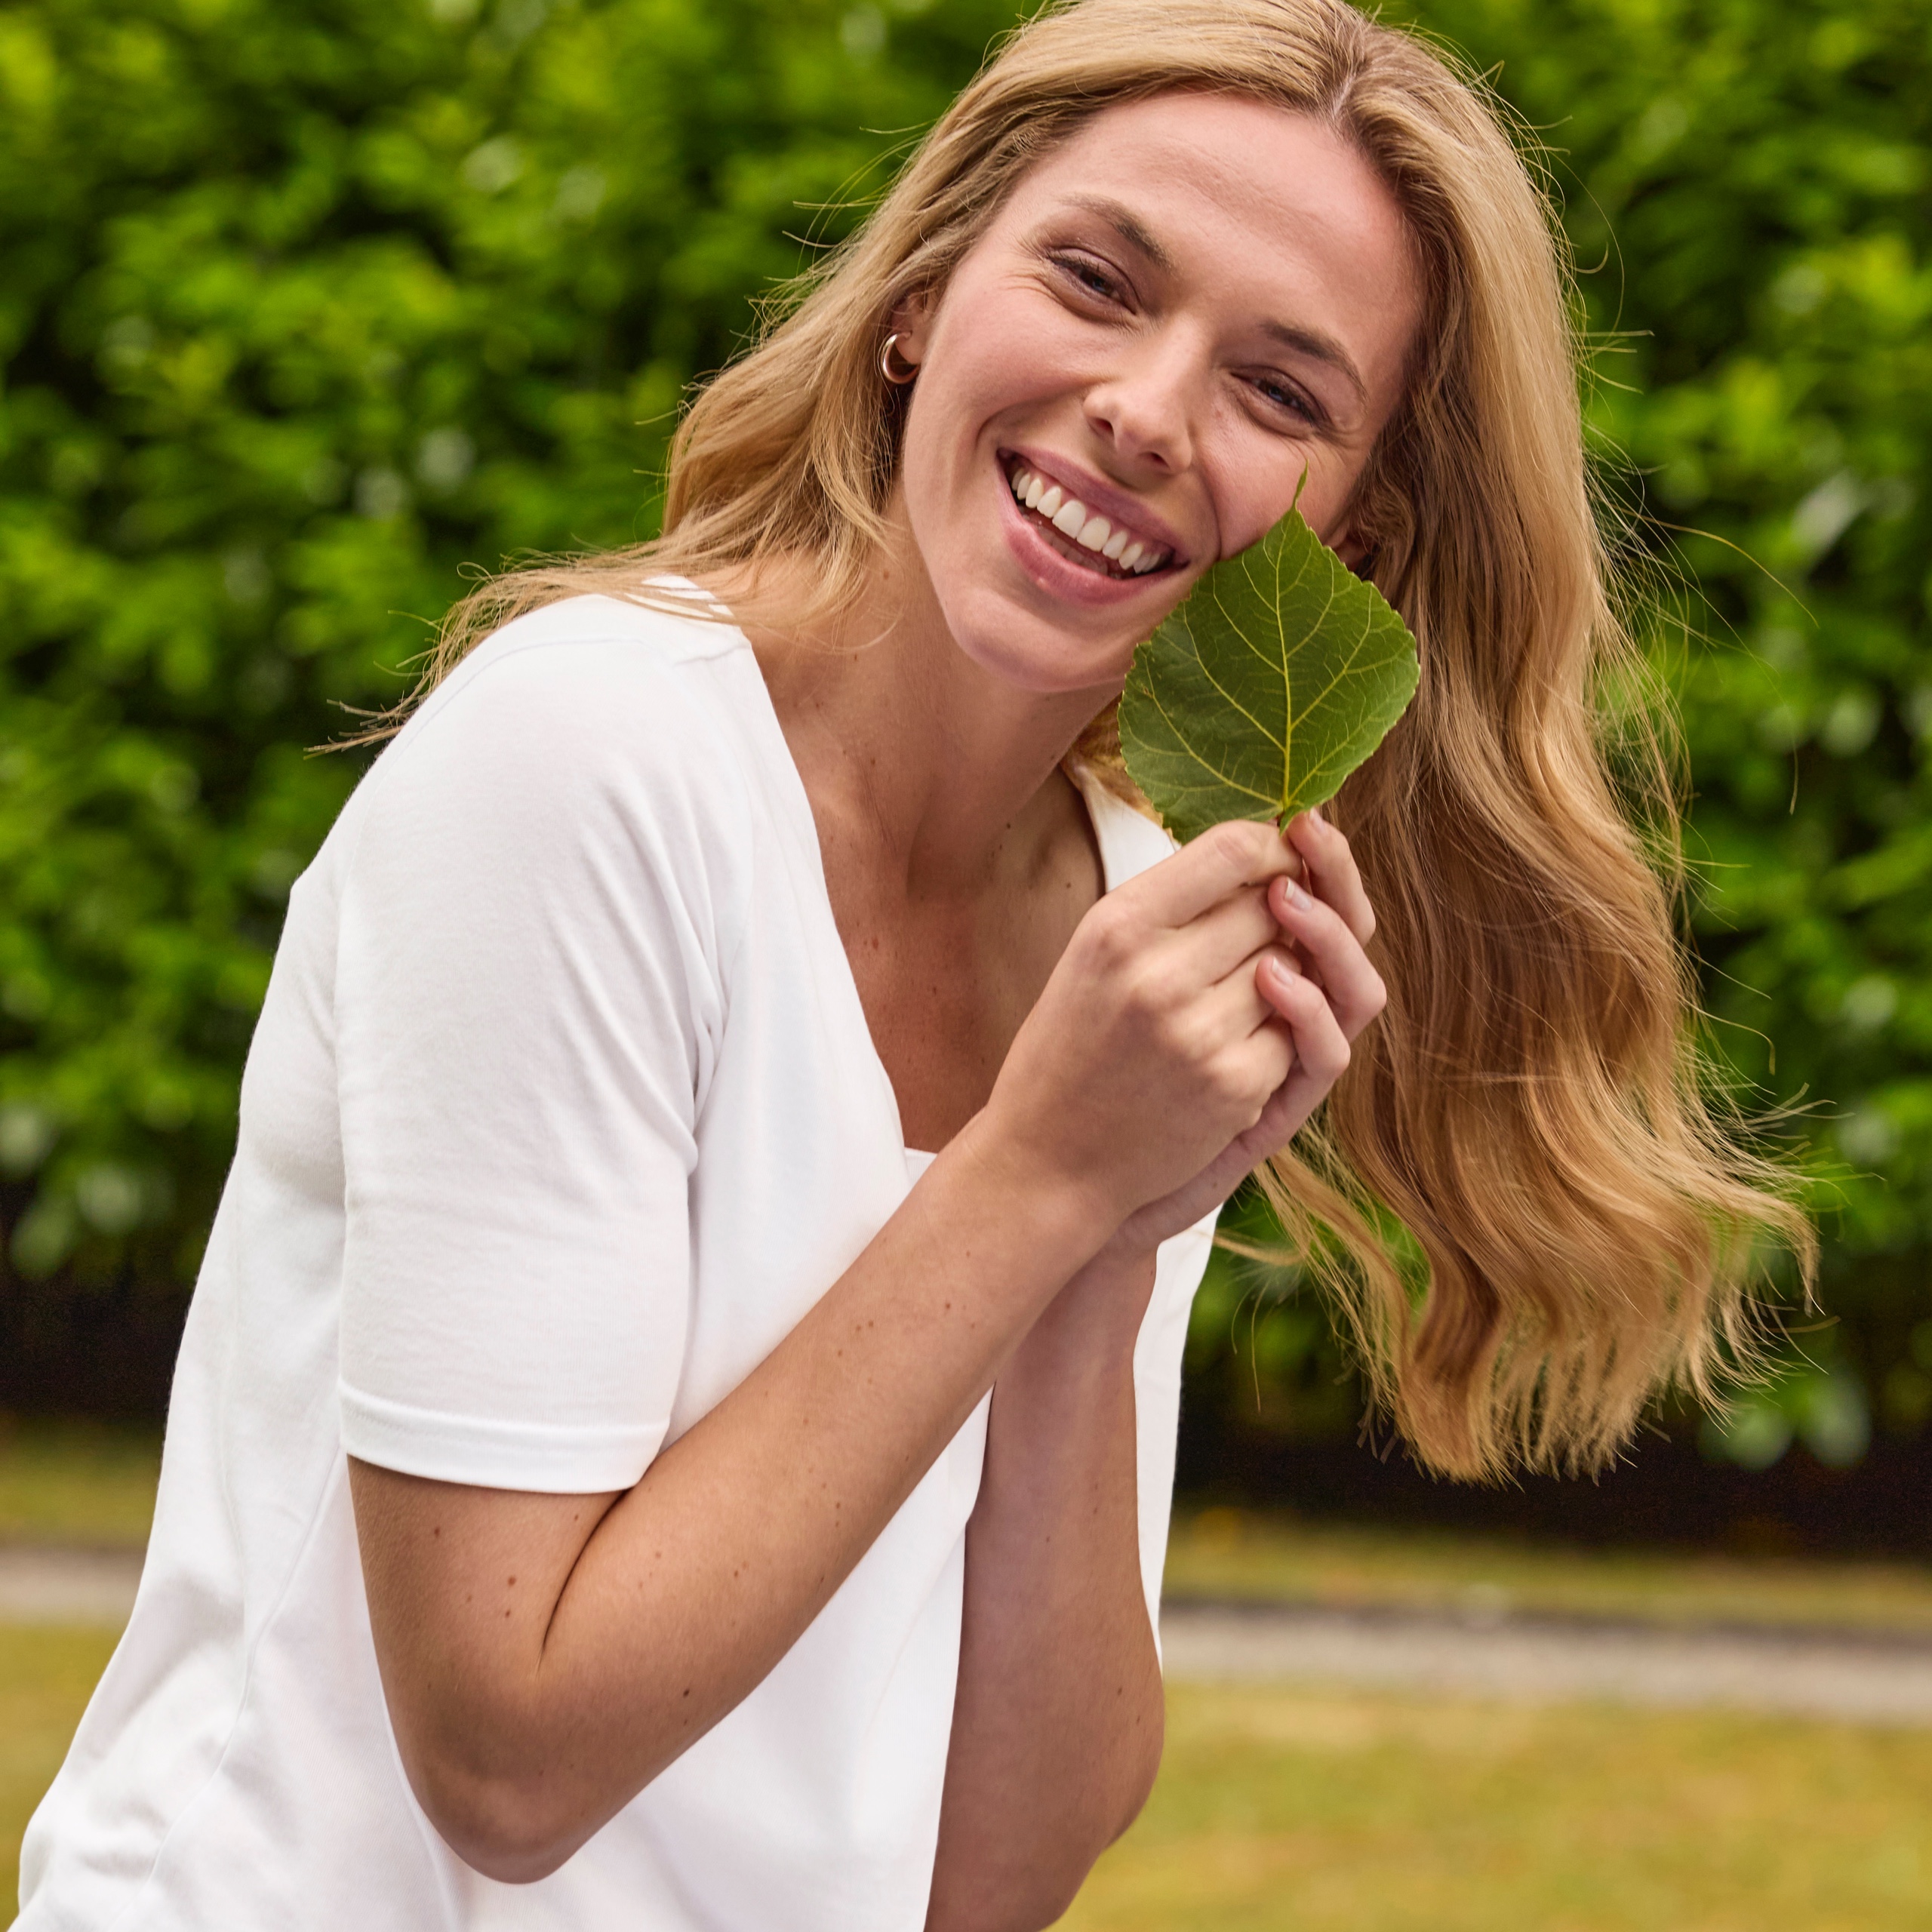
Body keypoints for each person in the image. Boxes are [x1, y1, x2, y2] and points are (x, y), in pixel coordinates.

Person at [17, 0, 1809, 1926]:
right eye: (1096, 278)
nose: (1145, 402)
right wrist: (1041, 1170)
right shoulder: (594, 763)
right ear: (920, 300)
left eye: (1280, 392)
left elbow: (990, 1869)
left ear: (1345, 553)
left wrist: (1104, 1237)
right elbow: (504, 1756)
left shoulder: (1137, 941)